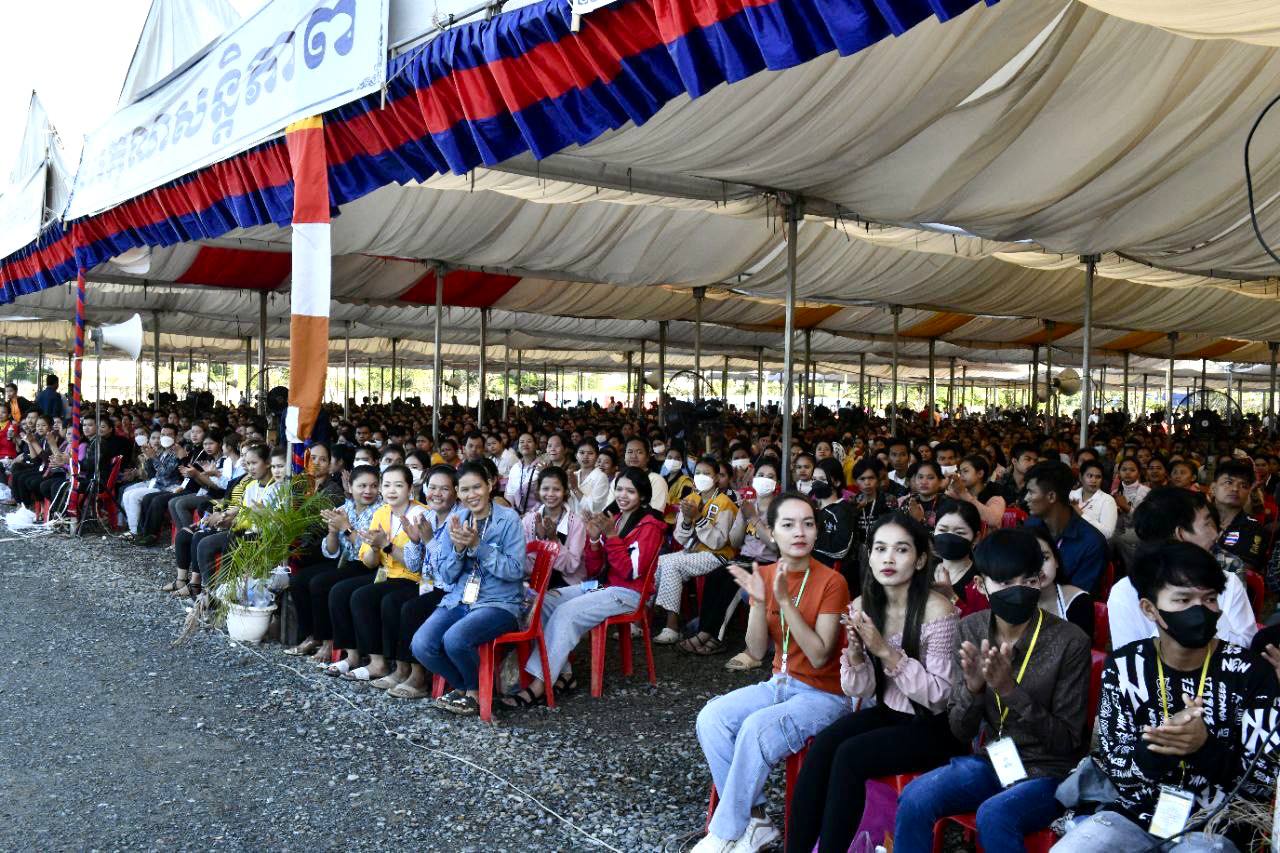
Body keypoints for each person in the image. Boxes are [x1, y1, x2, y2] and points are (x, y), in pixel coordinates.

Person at [1053, 541, 1280, 852]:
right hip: (1136, 813)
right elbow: (1115, 767)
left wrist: (1203, 748)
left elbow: (1261, 783)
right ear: (1150, 609)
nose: (1200, 610)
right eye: (1183, 599)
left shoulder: (1251, 673)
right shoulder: (1125, 667)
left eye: (1210, 599)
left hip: (1216, 822)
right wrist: (1157, 747)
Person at [894, 528, 1092, 852]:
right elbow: (960, 730)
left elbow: (1066, 741)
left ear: (1040, 580)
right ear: (980, 584)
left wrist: (1010, 691)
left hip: (1050, 772)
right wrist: (973, 689)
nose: (1018, 591)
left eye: (1028, 581)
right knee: (916, 797)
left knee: (995, 814)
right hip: (994, 761)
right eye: (1004, 582)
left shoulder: (1070, 641)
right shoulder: (970, 629)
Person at [787, 512, 960, 853]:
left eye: (901, 549)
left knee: (850, 756)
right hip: (889, 713)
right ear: (870, 556)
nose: (888, 559)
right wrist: (855, 655)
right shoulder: (863, 605)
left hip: (935, 725)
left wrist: (885, 651)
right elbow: (860, 689)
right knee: (823, 746)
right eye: (880, 549)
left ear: (920, 559)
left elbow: (940, 696)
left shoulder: (937, 611)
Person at [692, 493, 851, 853]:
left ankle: (726, 830)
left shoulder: (832, 582)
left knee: (755, 727)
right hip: (778, 683)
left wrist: (783, 603)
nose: (800, 532)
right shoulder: (764, 574)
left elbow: (820, 656)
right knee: (712, 718)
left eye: (808, 524)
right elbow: (755, 650)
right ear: (772, 532)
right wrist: (760, 601)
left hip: (825, 695)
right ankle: (757, 818)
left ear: (817, 531)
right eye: (789, 525)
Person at [500, 466, 665, 709]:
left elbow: (630, 572)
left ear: (642, 495)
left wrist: (611, 536)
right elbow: (596, 568)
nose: (622, 495)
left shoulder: (650, 526)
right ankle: (564, 674)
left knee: (566, 613)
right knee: (543, 601)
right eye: (619, 489)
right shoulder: (616, 519)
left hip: (628, 593)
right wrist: (595, 540)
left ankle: (539, 685)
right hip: (602, 586)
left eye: (630, 491)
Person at [411, 461, 528, 716]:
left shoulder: (508, 520)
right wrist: (458, 550)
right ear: (457, 492)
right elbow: (446, 575)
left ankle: (475, 692)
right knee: (421, 645)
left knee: (455, 639)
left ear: (490, 485)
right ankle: (466, 686)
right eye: (464, 489)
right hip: (460, 598)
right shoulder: (457, 519)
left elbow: (515, 570)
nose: (471, 494)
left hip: (499, 602)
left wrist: (478, 546)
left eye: (477, 487)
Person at [1107, 487, 1256, 650]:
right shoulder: (1124, 592)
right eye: (1207, 524)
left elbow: (1246, 647)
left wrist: (1208, 613)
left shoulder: (1228, 582)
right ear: (1180, 535)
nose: (1215, 535)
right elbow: (1128, 658)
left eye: (1210, 598)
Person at [326, 465, 426, 682]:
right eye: (387, 485)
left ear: (410, 488)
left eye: (398, 485)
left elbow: (415, 565)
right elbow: (370, 562)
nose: (392, 490)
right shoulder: (382, 513)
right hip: (388, 575)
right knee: (345, 593)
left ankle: (397, 667)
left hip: (414, 579)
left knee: (379, 599)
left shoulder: (421, 514)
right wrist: (373, 547)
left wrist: (386, 545)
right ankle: (368, 659)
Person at [378, 465, 463, 698]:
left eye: (444, 489)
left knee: (412, 608)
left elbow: (449, 571)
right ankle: (401, 668)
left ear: (455, 491)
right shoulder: (428, 517)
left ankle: (419, 676)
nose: (437, 493)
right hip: (428, 584)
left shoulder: (459, 519)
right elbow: (414, 564)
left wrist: (428, 540)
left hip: (451, 589)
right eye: (432, 487)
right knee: (390, 601)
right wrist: (415, 541)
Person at [285, 465, 382, 660]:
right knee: (298, 580)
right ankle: (312, 635)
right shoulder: (344, 508)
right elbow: (330, 551)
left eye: (373, 486)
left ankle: (329, 642)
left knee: (320, 583)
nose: (368, 491)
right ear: (350, 487)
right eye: (362, 486)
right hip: (345, 561)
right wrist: (331, 531)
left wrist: (346, 528)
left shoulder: (380, 511)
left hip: (370, 565)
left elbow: (366, 549)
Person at [654, 456, 738, 644]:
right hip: (694, 552)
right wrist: (686, 519)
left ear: (716, 478)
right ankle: (645, 616)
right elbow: (680, 538)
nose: (701, 476)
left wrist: (698, 517)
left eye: (707, 473)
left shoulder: (725, 503)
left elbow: (718, 542)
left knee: (672, 564)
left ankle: (671, 626)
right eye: (698, 472)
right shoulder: (690, 499)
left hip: (718, 555)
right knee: (660, 562)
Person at [1023, 460, 1108, 594]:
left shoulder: (1092, 543)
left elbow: (1078, 597)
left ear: (1051, 496)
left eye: (1031, 492)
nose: (1025, 498)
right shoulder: (1030, 525)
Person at [521, 466, 586, 587]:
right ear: (538, 491)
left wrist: (553, 539)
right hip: (534, 578)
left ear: (565, 491)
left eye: (556, 489)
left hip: (565, 582)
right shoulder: (529, 520)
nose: (550, 494)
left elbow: (571, 566)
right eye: (545, 489)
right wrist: (540, 540)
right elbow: (523, 561)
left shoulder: (576, 523)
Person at [1029, 525, 1093, 638]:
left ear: (1056, 560)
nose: (1039, 568)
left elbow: (1081, 646)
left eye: (1044, 558)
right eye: (1028, 561)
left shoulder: (1078, 601)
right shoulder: (1009, 603)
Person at [932, 500, 988, 617]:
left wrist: (952, 597)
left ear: (976, 538)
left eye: (959, 532)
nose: (949, 537)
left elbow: (980, 624)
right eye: (942, 530)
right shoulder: (923, 569)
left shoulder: (980, 580)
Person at [1211, 458, 1265, 575]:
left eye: (1243, 486)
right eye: (1228, 482)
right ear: (1213, 488)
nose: (1235, 489)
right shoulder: (1196, 519)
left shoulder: (1253, 527)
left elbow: (1244, 568)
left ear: (1248, 493)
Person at [945, 453, 1007, 530]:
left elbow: (993, 520)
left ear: (980, 473)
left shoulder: (995, 496)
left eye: (965, 471)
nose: (961, 475)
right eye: (960, 472)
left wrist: (963, 493)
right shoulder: (957, 494)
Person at [1069, 458, 1118, 541]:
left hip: (1092, 543)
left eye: (1098, 477)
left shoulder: (1107, 500)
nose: (1094, 480)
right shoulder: (1071, 495)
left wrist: (1080, 513)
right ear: (1080, 477)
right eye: (1089, 476)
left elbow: (1108, 533)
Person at [503, 432, 541, 514]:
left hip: (537, 513)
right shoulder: (515, 468)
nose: (525, 444)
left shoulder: (542, 466)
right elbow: (510, 493)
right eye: (522, 442)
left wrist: (529, 515)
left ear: (536, 445)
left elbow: (544, 497)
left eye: (529, 441)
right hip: (516, 514)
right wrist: (512, 514)